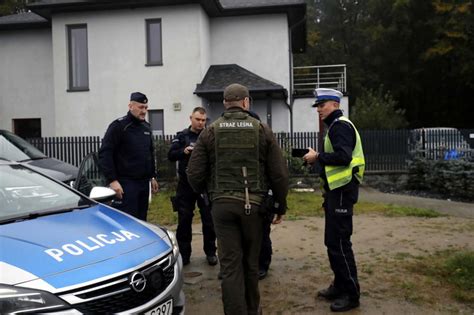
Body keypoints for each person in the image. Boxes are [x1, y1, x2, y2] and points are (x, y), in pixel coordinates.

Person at [187, 83, 289, 315]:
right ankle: (253, 310)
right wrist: (280, 205)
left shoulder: (210, 131)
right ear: (246, 102)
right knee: (250, 265)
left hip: (222, 208)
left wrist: (208, 195)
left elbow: (193, 173)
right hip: (254, 207)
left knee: (231, 267)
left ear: (225, 103)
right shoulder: (262, 129)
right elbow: (280, 174)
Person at [303, 88, 365, 312]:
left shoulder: (340, 126)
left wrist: (317, 156)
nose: (318, 109)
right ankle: (340, 285)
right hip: (336, 193)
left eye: (322, 105)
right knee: (332, 242)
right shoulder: (336, 127)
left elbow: (343, 157)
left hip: (342, 193)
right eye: (317, 106)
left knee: (339, 243)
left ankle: (351, 293)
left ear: (335, 104)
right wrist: (316, 161)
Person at [167, 107, 217, 266]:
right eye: (198, 119)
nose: (201, 123)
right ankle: (184, 255)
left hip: (204, 184)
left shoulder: (210, 135)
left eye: (203, 120)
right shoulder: (182, 136)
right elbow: (170, 155)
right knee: (184, 220)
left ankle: (210, 252)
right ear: (191, 118)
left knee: (209, 220)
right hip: (186, 184)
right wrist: (184, 151)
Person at [98, 92, 159, 221]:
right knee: (127, 222)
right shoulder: (119, 126)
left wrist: (152, 176)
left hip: (143, 184)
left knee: (142, 221)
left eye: (146, 108)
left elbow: (149, 153)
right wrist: (112, 180)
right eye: (140, 107)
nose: (144, 111)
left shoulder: (146, 127)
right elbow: (105, 153)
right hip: (126, 184)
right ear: (130, 106)